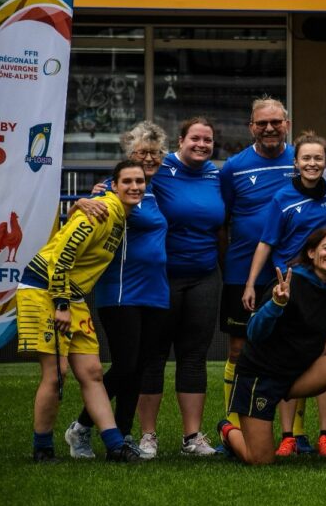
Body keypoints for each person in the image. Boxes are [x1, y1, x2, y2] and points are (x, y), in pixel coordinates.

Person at [218, 227, 326, 467]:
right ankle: (227, 431)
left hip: (298, 374)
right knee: (260, 460)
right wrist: (276, 304)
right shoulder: (288, 282)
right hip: (261, 377)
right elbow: (253, 332)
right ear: (310, 252)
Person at [19, 160, 146, 462]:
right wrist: (61, 304)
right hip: (45, 290)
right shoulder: (101, 211)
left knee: (92, 372)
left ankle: (115, 446)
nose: (135, 187)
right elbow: (62, 256)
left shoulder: (118, 213)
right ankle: (42, 447)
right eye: (127, 181)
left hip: (71, 296)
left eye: (139, 182)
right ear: (114, 185)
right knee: (56, 374)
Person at [63, 123, 170, 460]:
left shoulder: (151, 190)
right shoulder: (112, 190)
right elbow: (84, 214)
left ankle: (122, 439)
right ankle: (81, 427)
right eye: (141, 153)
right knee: (124, 366)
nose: (148, 159)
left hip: (156, 292)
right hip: (122, 292)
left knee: (138, 368)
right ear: (129, 156)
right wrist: (78, 203)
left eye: (154, 154)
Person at [242, 132, 326, 457]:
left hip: (325, 286)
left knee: (322, 357)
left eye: (318, 158)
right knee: (289, 358)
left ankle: (325, 435)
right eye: (306, 158)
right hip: (289, 286)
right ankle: (288, 436)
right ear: (296, 163)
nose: (312, 164)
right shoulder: (282, 198)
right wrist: (251, 283)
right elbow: (266, 242)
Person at [140, 116, 225, 457]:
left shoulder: (217, 175)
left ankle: (192, 437)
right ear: (180, 139)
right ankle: (147, 435)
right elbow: (121, 183)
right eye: (196, 139)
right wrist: (97, 193)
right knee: (154, 356)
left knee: (194, 357)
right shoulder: (159, 168)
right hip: (162, 276)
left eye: (208, 140)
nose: (202, 145)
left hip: (205, 275)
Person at [220, 97, 297, 441]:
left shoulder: (304, 159)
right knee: (238, 348)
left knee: (292, 346)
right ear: (251, 127)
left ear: (287, 124)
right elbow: (222, 218)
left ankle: (295, 433)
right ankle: (232, 423)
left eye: (275, 122)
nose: (269, 128)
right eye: (262, 123)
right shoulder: (233, 167)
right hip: (242, 270)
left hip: (291, 270)